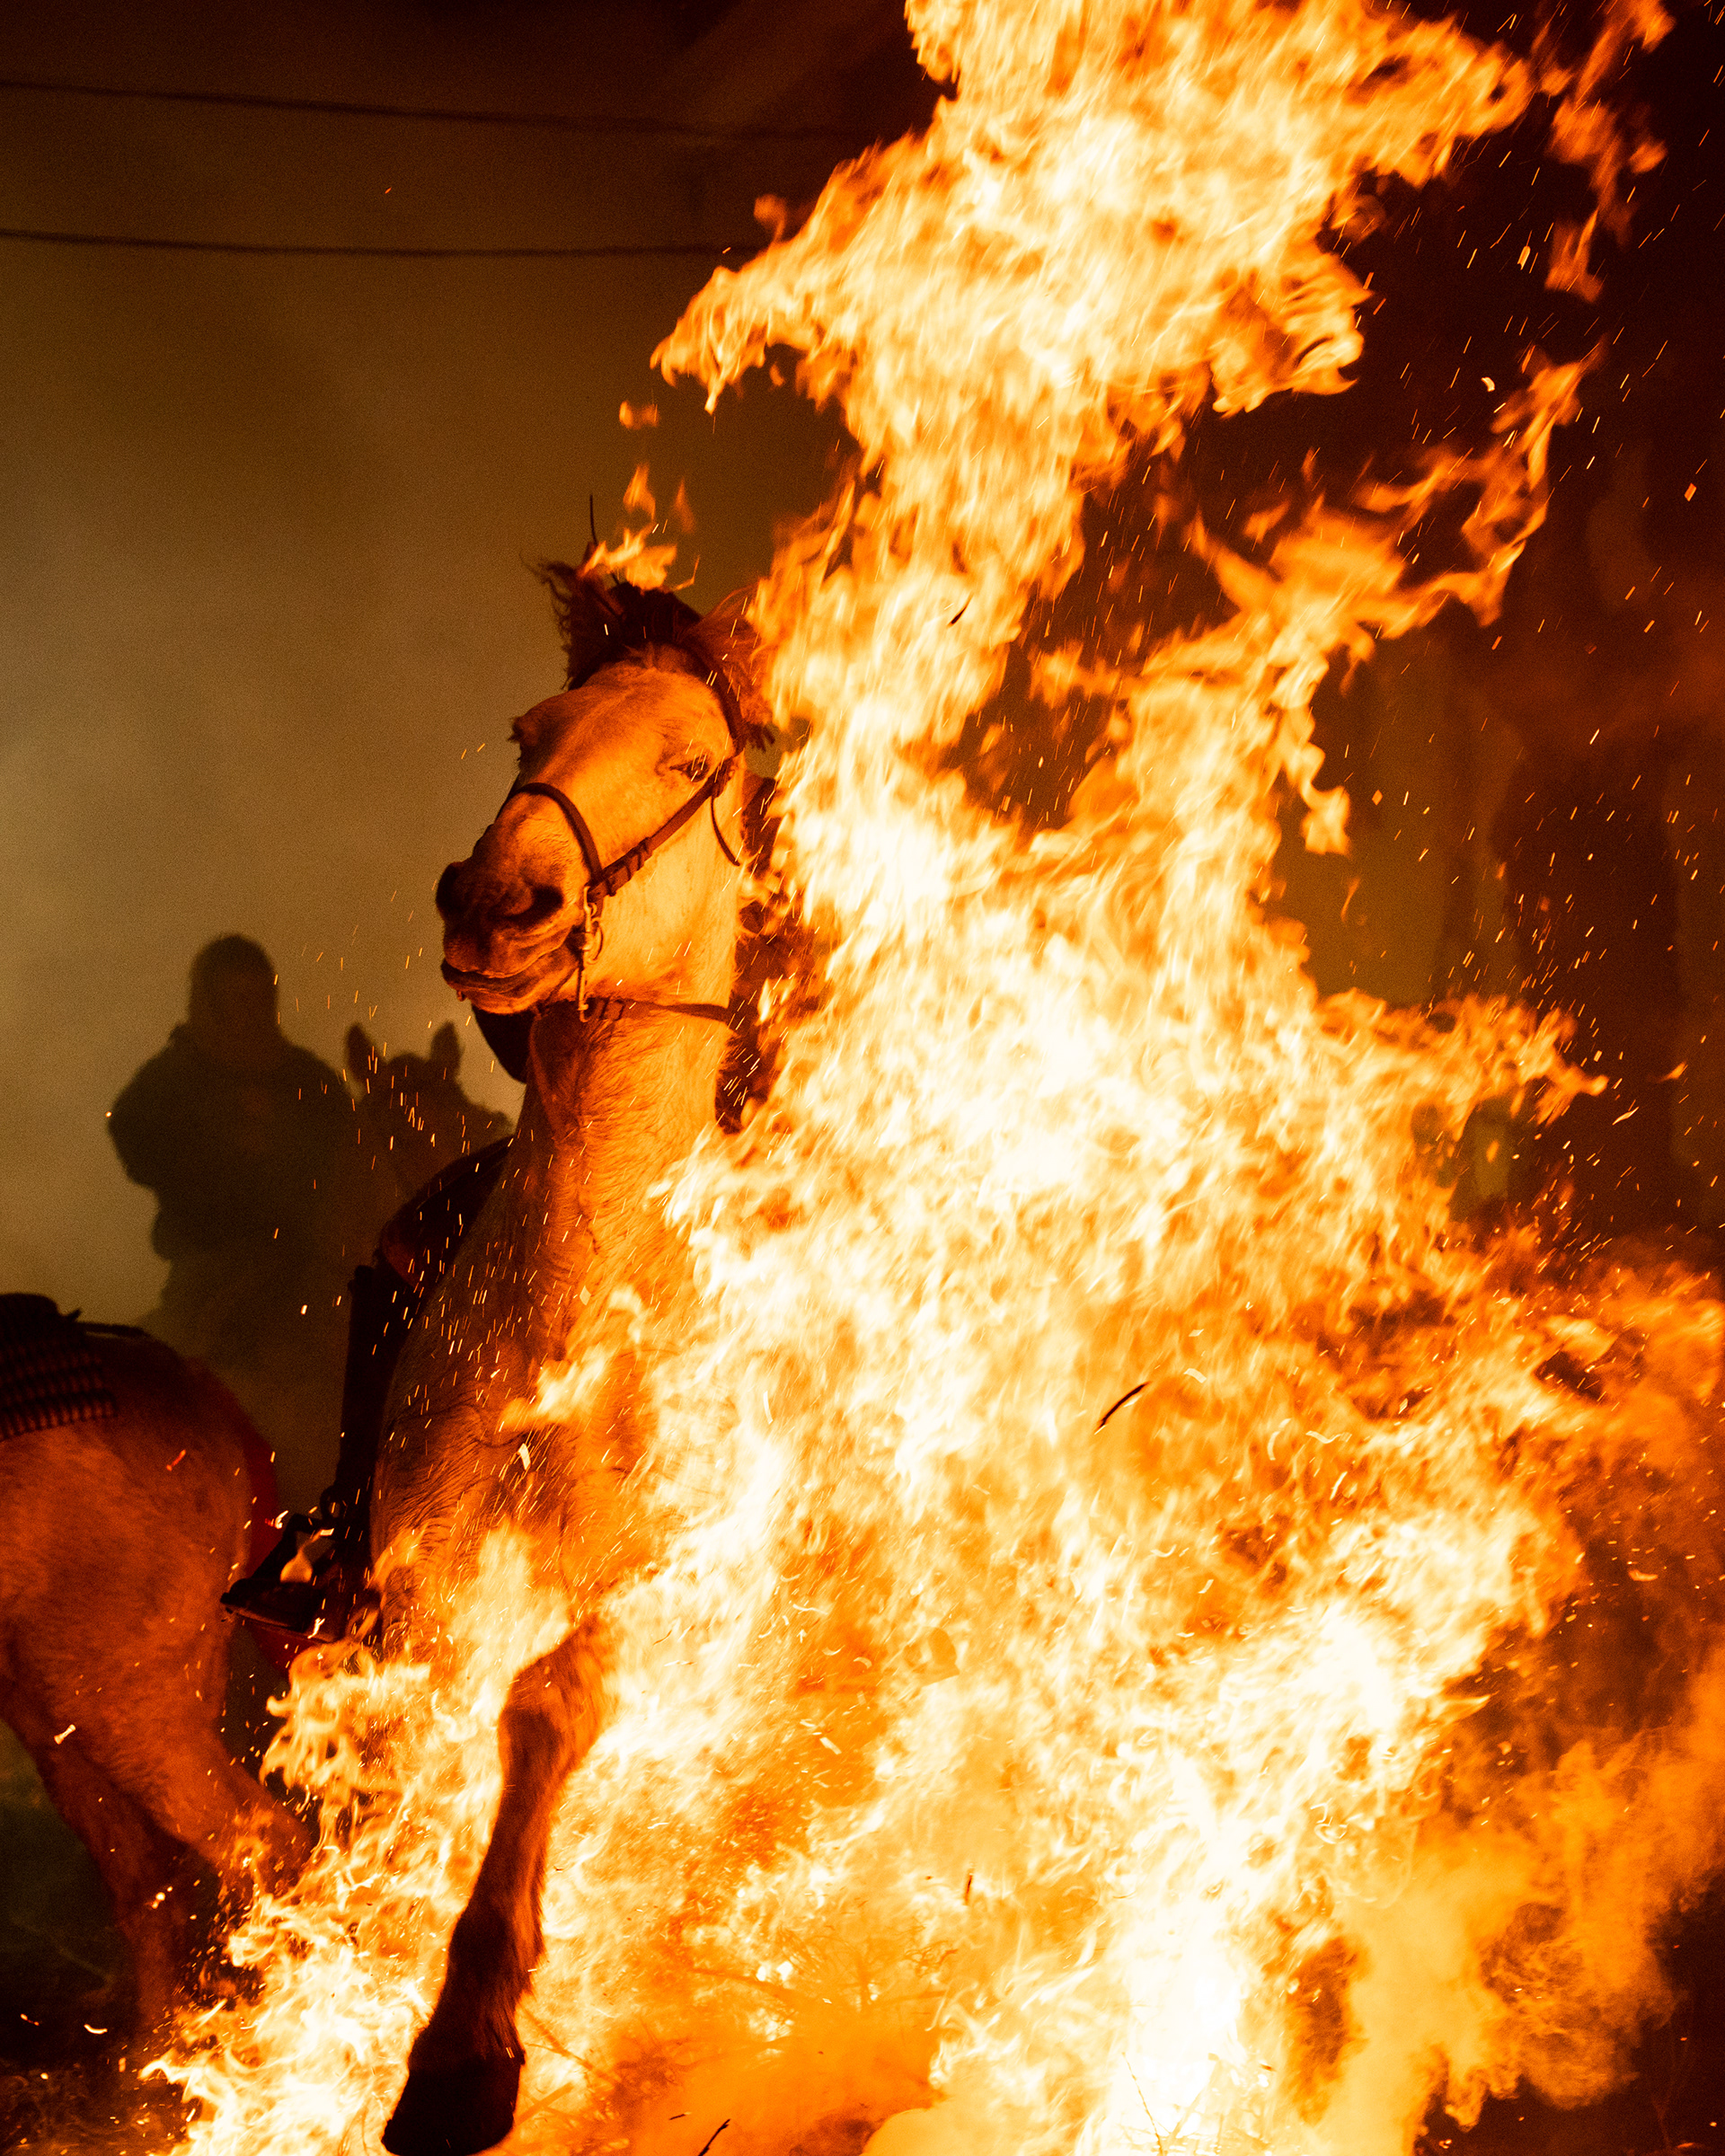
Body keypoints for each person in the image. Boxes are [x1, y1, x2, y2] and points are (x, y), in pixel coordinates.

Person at [110, 936, 384, 1507]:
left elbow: (345, 1158)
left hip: (307, 1260)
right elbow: (135, 1134)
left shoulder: (307, 1080)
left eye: (259, 995)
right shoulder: (172, 1081)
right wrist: (221, 1149)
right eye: (235, 996)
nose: (250, 1008)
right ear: (209, 1001)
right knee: (186, 1376)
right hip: (212, 1263)